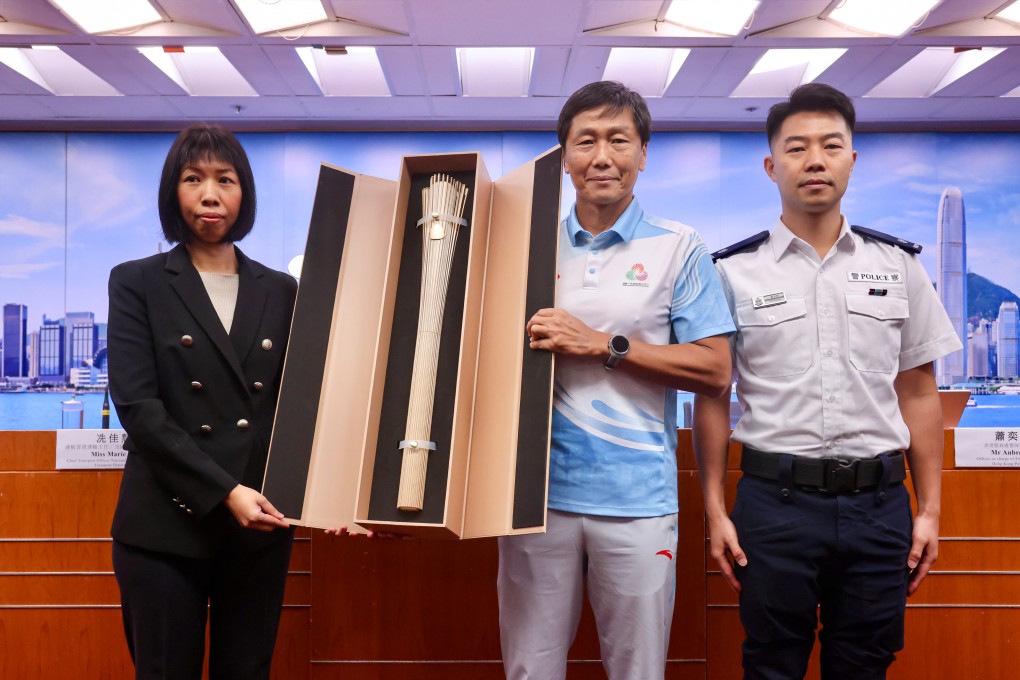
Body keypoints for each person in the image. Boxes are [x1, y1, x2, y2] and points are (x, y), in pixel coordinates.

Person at [693, 83, 962, 679]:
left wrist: (931, 511)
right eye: (796, 148)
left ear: (851, 159)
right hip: (774, 503)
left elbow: (918, 392)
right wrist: (715, 509)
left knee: (866, 663)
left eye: (830, 145)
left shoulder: (897, 265)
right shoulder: (731, 272)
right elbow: (711, 396)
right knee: (771, 663)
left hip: (880, 505)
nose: (814, 160)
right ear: (771, 165)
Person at [497, 80, 735, 679]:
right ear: (563, 156)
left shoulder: (680, 248)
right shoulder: (522, 247)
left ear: (643, 152)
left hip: (637, 502)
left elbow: (714, 369)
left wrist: (604, 344)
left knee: (637, 671)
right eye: (585, 142)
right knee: (530, 669)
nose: (601, 157)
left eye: (618, 140)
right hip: (532, 500)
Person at [107, 123, 297, 680]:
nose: (210, 194)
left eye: (225, 179)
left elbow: (297, 405)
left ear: (245, 194)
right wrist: (224, 492)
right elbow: (140, 410)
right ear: (174, 192)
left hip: (258, 527)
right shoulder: (137, 282)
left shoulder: (280, 290)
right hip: (165, 529)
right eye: (194, 179)